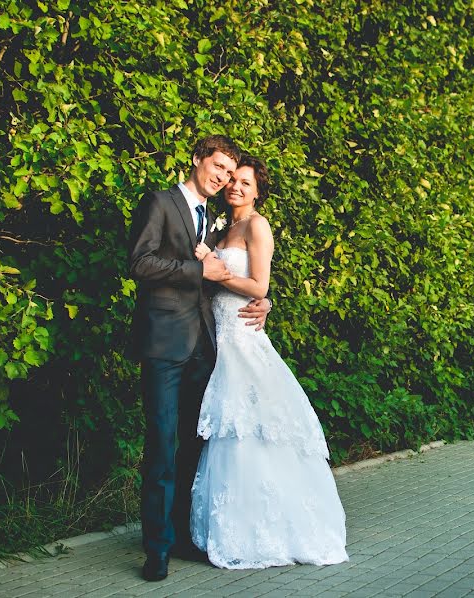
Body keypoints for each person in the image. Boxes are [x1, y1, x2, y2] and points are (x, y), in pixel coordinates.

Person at [190, 155, 348, 569]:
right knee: (229, 430)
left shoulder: (257, 225)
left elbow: (260, 284)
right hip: (217, 337)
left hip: (242, 335)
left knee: (250, 426)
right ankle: (232, 525)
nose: (235, 187)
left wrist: (218, 274)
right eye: (232, 180)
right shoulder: (221, 226)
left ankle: (271, 528)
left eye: (245, 182)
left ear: (258, 190)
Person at [128, 136, 272, 582]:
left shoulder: (210, 217)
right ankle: (156, 551)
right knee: (162, 447)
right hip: (164, 346)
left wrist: (264, 302)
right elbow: (139, 264)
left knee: (194, 446)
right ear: (197, 160)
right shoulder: (160, 202)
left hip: (203, 349)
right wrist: (198, 271)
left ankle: (183, 534)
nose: (223, 177)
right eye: (218, 167)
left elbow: (227, 277)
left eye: (230, 172)